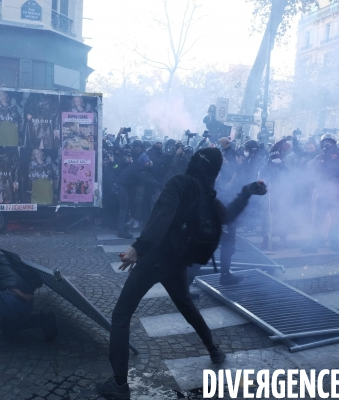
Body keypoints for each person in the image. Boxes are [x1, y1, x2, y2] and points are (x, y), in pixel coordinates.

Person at [95, 148, 268, 399]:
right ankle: (214, 350)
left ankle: (119, 385)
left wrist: (139, 247)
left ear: (195, 161)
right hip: (178, 262)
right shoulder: (208, 195)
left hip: (156, 258)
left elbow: (164, 214)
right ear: (214, 171)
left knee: (121, 314)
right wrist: (247, 192)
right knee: (185, 304)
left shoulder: (180, 182)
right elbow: (228, 217)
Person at [114, 153, 164, 239]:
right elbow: (146, 179)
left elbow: (148, 176)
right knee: (124, 208)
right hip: (121, 187)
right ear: (143, 162)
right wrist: (159, 185)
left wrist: (159, 183)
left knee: (124, 208)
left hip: (121, 187)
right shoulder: (138, 169)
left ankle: (121, 226)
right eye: (147, 161)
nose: (148, 163)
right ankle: (121, 230)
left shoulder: (137, 166)